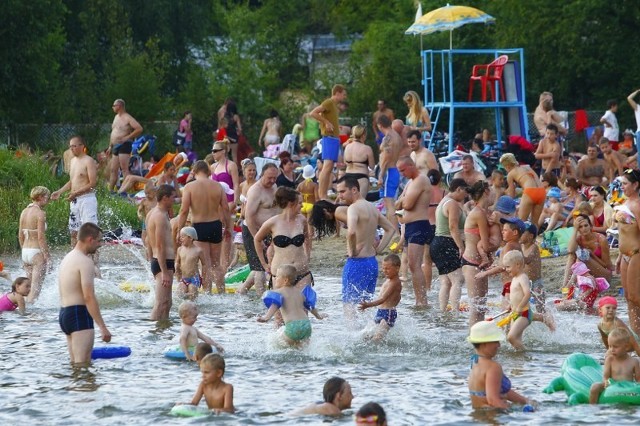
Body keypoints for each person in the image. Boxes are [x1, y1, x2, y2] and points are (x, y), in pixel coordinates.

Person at [337, 177, 396, 319]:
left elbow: (351, 232)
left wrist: (352, 251)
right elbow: (391, 229)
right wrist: (379, 249)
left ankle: (352, 337)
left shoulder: (353, 208)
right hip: (372, 262)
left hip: (357, 262)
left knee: (349, 305)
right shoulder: (372, 208)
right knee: (365, 305)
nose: (340, 195)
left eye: (342, 191)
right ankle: (366, 334)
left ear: (354, 189)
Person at [58, 222, 111, 366]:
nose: (100, 244)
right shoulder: (85, 262)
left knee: (75, 365)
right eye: (99, 240)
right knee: (83, 365)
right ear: (90, 239)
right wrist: (102, 327)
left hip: (65, 314)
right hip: (78, 314)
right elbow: (89, 296)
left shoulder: (67, 258)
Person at [177, 160, 232, 294]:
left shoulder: (189, 187)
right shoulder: (218, 186)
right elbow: (225, 208)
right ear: (208, 172)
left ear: (194, 172)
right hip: (215, 225)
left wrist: (180, 230)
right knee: (216, 264)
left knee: (205, 264)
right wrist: (229, 228)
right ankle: (222, 293)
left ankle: (207, 293)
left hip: (199, 227)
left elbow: (184, 211)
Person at [254, 187, 312, 290]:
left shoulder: (302, 220)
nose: (302, 205)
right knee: (281, 305)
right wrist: (264, 263)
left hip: (302, 271)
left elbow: (308, 238)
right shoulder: (272, 222)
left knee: (305, 304)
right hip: (280, 274)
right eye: (299, 203)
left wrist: (307, 256)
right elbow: (257, 239)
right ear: (291, 203)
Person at [395, 156, 432, 306]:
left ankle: (422, 301)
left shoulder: (421, 180)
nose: (402, 174)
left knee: (414, 265)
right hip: (410, 226)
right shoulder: (410, 183)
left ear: (411, 165)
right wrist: (403, 200)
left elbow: (408, 204)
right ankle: (419, 299)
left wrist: (403, 200)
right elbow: (398, 204)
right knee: (411, 265)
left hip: (419, 224)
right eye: (400, 171)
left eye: (403, 170)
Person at [467, 321, 529, 409]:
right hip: (493, 416)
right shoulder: (493, 367)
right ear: (485, 343)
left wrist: (526, 401)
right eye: (496, 341)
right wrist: (514, 412)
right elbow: (493, 400)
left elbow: (497, 390)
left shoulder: (475, 362)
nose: (499, 345)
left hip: (478, 416)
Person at [239, 163, 280, 294]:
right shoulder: (255, 190)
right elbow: (248, 217)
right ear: (262, 175)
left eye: (275, 178)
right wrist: (258, 238)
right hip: (253, 231)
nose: (272, 181)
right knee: (259, 269)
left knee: (267, 266)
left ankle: (242, 290)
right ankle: (261, 298)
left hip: (269, 231)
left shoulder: (274, 186)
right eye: (269, 178)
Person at [257, 264, 322, 346]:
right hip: (306, 325)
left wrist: (266, 317)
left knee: (276, 344)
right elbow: (310, 307)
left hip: (293, 326)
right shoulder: (300, 293)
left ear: (285, 280)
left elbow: (274, 306)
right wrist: (319, 316)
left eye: (277, 277)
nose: (275, 278)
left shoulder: (279, 292)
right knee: (300, 349)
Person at [51, 136, 99, 246]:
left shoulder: (89, 161)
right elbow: (72, 181)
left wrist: (76, 193)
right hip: (74, 200)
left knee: (90, 231)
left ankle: (93, 259)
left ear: (82, 146)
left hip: (87, 200)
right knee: (74, 232)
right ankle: (75, 256)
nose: (71, 148)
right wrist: (60, 191)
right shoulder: (72, 161)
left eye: (74, 146)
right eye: (70, 146)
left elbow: (92, 183)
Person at [431, 178, 467, 312]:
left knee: (446, 282)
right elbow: (453, 227)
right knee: (458, 280)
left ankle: (443, 311)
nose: (466, 195)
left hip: (437, 243)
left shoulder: (444, 200)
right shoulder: (451, 203)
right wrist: (461, 246)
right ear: (458, 189)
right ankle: (455, 313)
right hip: (446, 242)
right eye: (465, 191)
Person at [462, 181, 495, 326]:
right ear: (486, 192)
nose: (495, 194)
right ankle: (473, 340)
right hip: (471, 263)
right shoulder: (479, 214)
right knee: (476, 308)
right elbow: (486, 245)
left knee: (481, 307)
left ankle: (478, 340)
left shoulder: (482, 212)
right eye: (492, 190)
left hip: (478, 263)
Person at [310, 84, 347, 200]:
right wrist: (326, 122)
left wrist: (336, 126)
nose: (344, 97)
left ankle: (323, 193)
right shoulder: (328, 102)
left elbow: (330, 119)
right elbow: (313, 113)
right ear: (338, 93)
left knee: (329, 167)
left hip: (334, 137)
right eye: (343, 94)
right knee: (327, 167)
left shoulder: (334, 106)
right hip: (329, 137)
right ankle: (322, 194)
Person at [146, 184, 178, 321]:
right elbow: (159, 245)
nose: (174, 200)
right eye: (173, 197)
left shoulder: (153, 213)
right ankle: (152, 335)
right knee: (160, 304)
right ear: (165, 198)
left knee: (167, 303)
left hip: (159, 261)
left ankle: (163, 332)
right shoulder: (158, 216)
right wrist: (164, 271)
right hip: (163, 263)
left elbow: (148, 240)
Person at [616, 169, 640, 335]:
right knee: (628, 298)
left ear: (635, 185)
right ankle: (636, 334)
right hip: (624, 255)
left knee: (636, 296)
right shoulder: (625, 203)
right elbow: (622, 232)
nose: (622, 186)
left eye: (625, 183)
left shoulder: (637, 206)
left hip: (636, 253)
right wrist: (618, 256)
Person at [589, 328, 640, 404]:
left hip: (628, 388)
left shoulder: (634, 361)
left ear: (626, 347)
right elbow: (606, 377)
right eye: (610, 346)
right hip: (612, 385)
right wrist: (606, 382)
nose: (611, 350)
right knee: (594, 387)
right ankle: (592, 407)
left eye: (615, 347)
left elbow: (638, 380)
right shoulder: (610, 360)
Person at [358, 254, 402, 341]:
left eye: (388, 269)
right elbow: (398, 297)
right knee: (365, 336)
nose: (384, 271)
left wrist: (368, 305)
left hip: (388, 313)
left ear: (397, 268)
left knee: (378, 338)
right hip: (380, 312)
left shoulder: (395, 282)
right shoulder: (389, 280)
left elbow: (383, 299)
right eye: (383, 268)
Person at [18, 186, 50, 303]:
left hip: (25, 252)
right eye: (47, 197)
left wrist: (23, 251)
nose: (48, 199)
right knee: (35, 291)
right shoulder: (40, 213)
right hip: (36, 253)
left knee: (27, 290)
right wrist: (47, 256)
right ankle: (30, 317)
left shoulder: (24, 212)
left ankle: (20, 314)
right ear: (40, 197)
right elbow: (41, 238)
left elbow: (20, 235)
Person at [563, 214, 612, 286]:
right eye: (580, 227)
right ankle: (564, 285)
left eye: (586, 225)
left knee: (582, 256)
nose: (584, 228)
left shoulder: (601, 239)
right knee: (572, 255)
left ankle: (569, 286)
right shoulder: (579, 239)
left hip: (604, 274)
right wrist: (575, 230)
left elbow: (606, 265)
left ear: (591, 226)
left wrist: (591, 254)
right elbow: (570, 250)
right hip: (590, 271)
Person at [107, 99, 143, 191]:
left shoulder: (128, 118)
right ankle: (110, 191)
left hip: (124, 144)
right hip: (115, 145)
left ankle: (125, 190)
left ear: (119, 106)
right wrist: (110, 146)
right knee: (113, 170)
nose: (113, 107)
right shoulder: (116, 117)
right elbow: (113, 132)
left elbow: (139, 129)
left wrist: (127, 137)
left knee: (124, 169)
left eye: (114, 105)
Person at [500, 153, 545, 225]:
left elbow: (511, 196)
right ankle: (534, 236)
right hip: (542, 191)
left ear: (507, 166)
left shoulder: (510, 174)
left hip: (530, 191)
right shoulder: (527, 167)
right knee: (535, 223)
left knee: (520, 223)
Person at [377, 114, 403, 230]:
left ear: (380, 125)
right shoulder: (396, 136)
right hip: (394, 170)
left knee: (389, 204)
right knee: (389, 203)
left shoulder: (388, 138)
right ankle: (393, 231)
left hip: (388, 172)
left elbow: (387, 157)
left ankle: (394, 232)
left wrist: (381, 175)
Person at [176, 227, 207, 300]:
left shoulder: (198, 250)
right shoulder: (180, 249)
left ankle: (192, 303)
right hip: (184, 278)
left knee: (192, 293)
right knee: (180, 294)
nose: (180, 238)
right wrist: (177, 272)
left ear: (190, 238)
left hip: (194, 278)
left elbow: (204, 264)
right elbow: (177, 262)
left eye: (183, 237)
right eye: (180, 237)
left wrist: (204, 277)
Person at [343, 125, 374, 195]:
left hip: (348, 176)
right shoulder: (367, 148)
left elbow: (345, 162)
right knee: (360, 202)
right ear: (363, 135)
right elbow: (372, 166)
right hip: (361, 177)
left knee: (349, 203)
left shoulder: (347, 147)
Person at [521, 222, 545, 312]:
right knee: (525, 307)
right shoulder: (521, 247)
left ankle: (544, 321)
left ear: (530, 236)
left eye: (522, 232)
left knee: (540, 308)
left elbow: (527, 260)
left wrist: (516, 254)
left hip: (536, 283)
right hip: (525, 283)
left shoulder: (534, 247)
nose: (519, 234)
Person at [211, 140, 240, 204]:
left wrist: (237, 203)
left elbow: (236, 185)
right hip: (216, 202)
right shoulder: (213, 167)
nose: (213, 153)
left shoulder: (231, 165)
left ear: (223, 151)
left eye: (215, 151)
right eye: (212, 151)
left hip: (230, 201)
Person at [223, 99, 242, 164]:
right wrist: (238, 132)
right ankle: (235, 170)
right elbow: (240, 129)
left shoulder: (225, 116)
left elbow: (222, 127)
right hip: (234, 136)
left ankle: (227, 169)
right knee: (234, 155)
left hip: (226, 136)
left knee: (226, 155)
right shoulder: (236, 116)